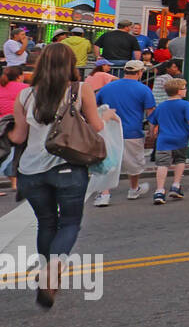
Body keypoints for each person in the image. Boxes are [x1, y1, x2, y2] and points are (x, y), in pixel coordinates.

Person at [4, 42, 110, 308]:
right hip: (68, 166)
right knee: (70, 222)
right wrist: (107, 115)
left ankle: (46, 270)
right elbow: (96, 127)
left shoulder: (25, 95)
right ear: (70, 65)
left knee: (46, 222)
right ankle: (52, 272)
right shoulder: (80, 89)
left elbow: (18, 136)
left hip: (31, 171)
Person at [92, 58, 156, 205]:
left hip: (109, 130)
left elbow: (96, 107)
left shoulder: (108, 87)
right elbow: (151, 112)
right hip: (132, 131)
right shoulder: (143, 89)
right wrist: (152, 131)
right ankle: (133, 189)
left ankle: (104, 193)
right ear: (140, 72)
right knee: (134, 163)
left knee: (108, 163)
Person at [147, 78, 189, 205]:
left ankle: (159, 190)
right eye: (184, 88)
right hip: (180, 138)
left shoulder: (161, 106)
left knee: (162, 164)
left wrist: (151, 133)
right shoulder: (185, 105)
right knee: (180, 160)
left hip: (163, 139)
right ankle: (176, 185)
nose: (186, 90)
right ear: (179, 91)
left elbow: (152, 122)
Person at [0, 66, 26, 197]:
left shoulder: (1, 86)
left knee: (2, 154)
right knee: (20, 154)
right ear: (20, 76)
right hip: (18, 124)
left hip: (1, 125)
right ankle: (16, 183)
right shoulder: (24, 88)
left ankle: (14, 182)